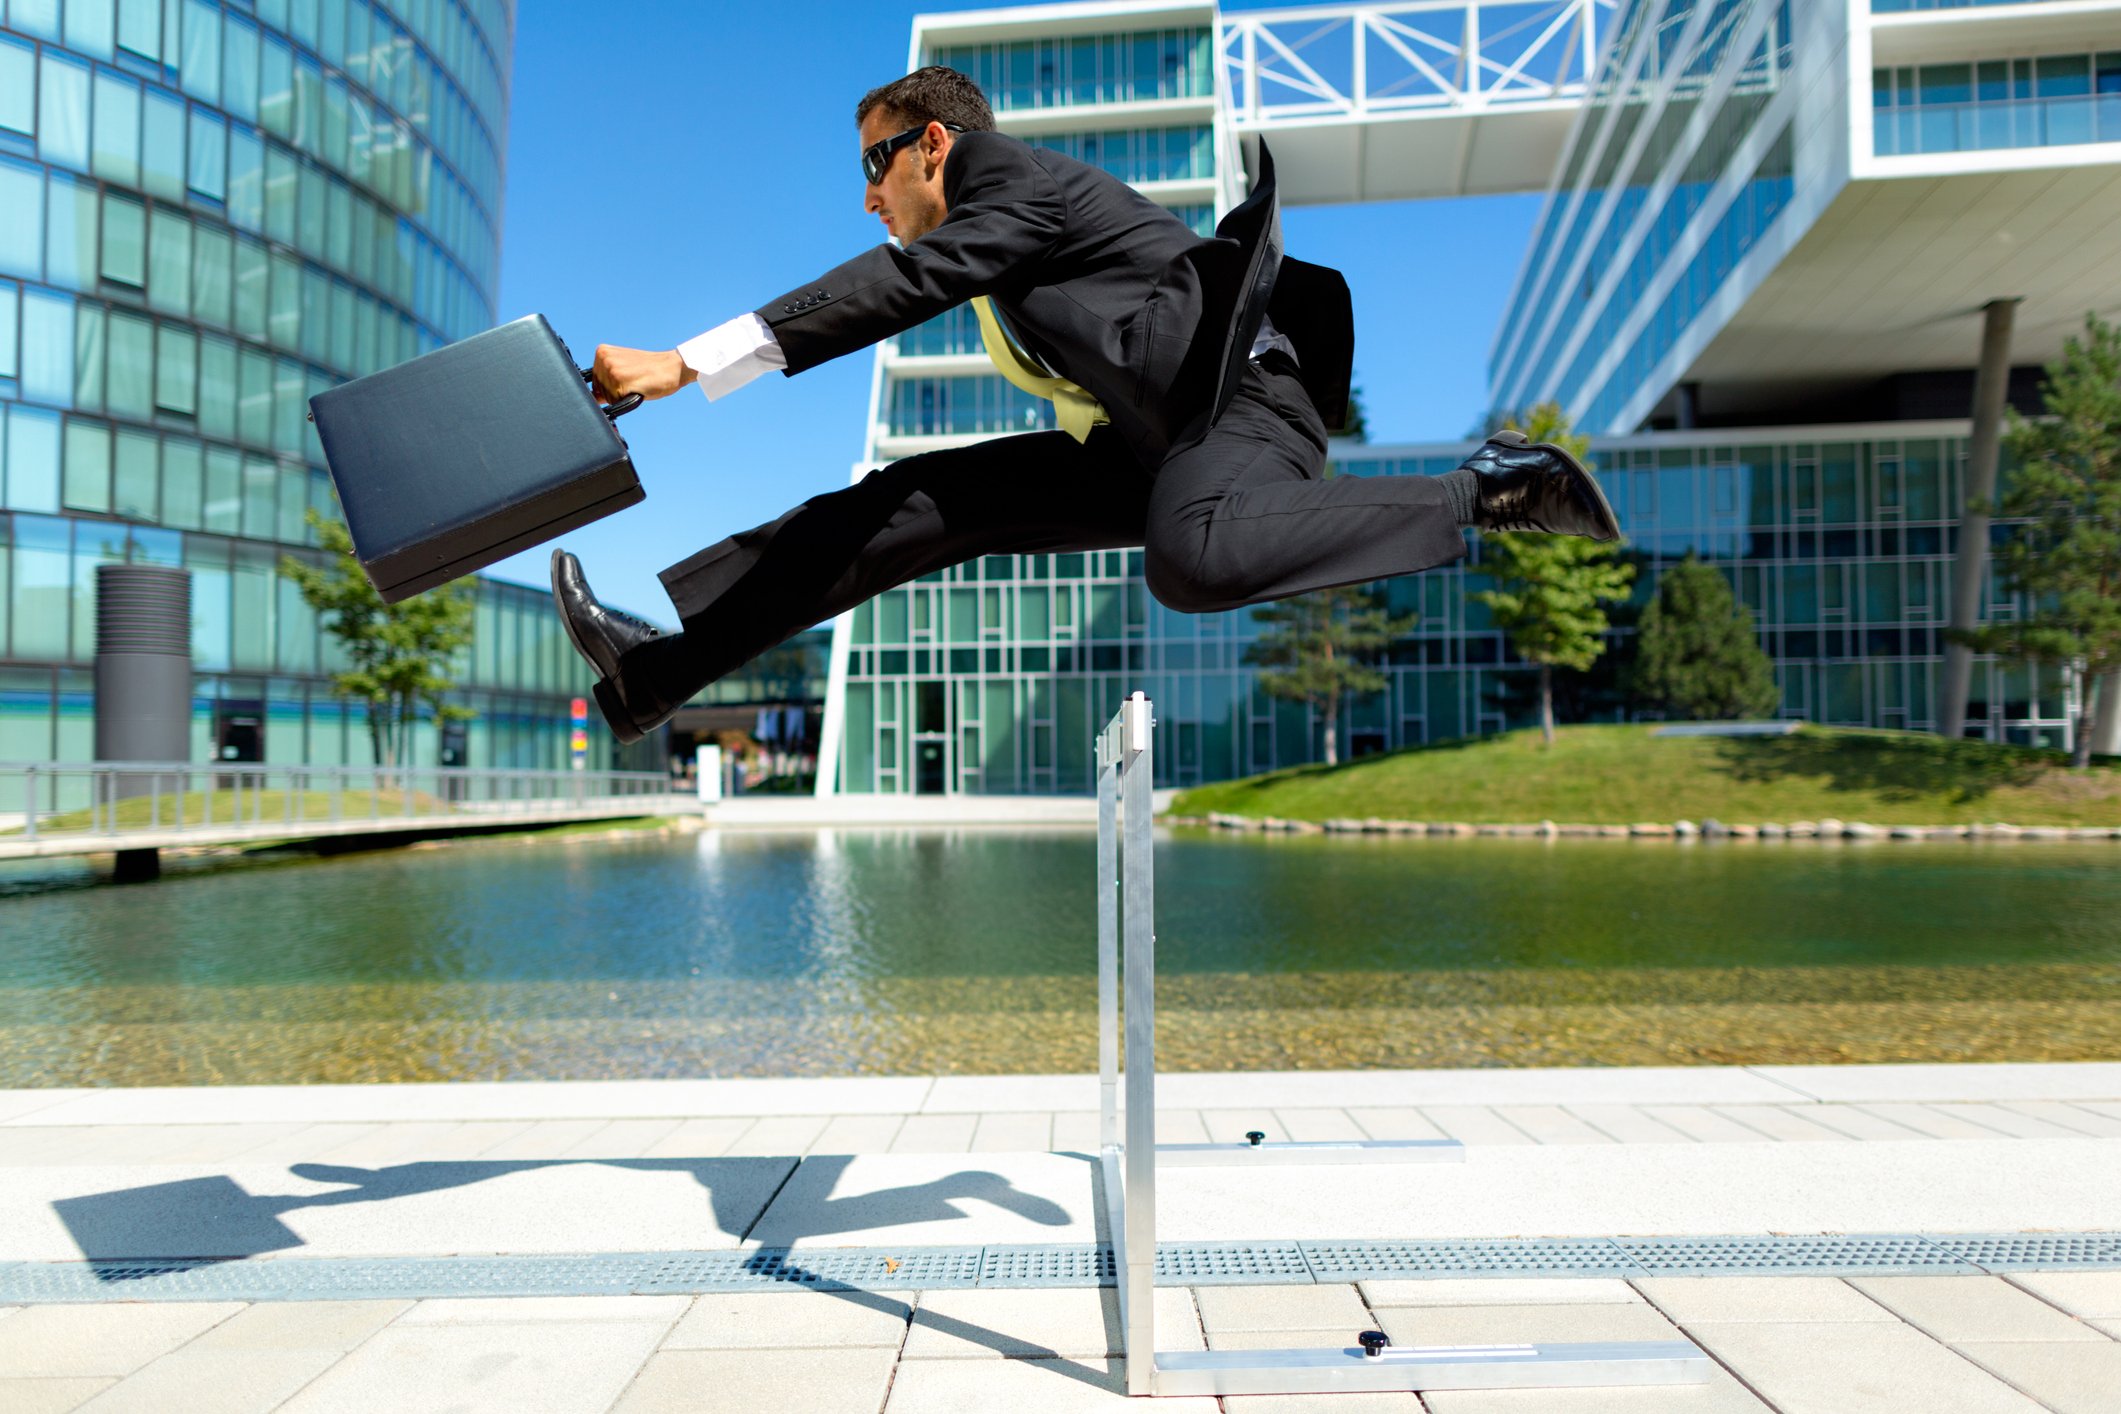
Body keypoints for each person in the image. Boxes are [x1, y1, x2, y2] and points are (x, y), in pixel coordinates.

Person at [554, 67, 1617, 744]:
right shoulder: (996, 225)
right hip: (1149, 442)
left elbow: (902, 285)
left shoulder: (1010, 179)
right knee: (909, 506)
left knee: (1190, 558)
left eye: (876, 163)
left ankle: (1488, 487)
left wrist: (686, 363)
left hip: (1244, 405)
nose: (868, 196)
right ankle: (656, 671)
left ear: (936, 144)